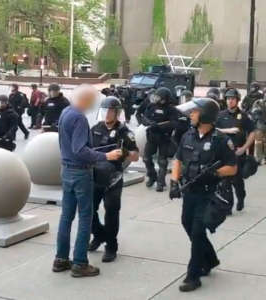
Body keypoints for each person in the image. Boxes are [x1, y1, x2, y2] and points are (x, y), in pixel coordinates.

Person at [53, 84, 123, 278]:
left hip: (66, 170)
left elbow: (67, 145)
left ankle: (60, 258)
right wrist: (106, 156)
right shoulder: (79, 118)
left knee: (66, 216)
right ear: (84, 100)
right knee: (85, 217)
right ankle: (80, 262)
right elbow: (80, 150)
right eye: (92, 101)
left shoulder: (66, 112)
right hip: (80, 172)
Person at [170, 98, 237, 292]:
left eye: (195, 112)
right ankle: (210, 259)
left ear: (205, 115)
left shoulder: (221, 140)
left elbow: (232, 168)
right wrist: (174, 182)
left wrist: (215, 172)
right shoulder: (187, 136)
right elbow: (178, 159)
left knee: (198, 232)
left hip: (209, 194)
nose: (191, 115)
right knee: (187, 224)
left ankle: (193, 275)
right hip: (190, 191)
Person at [88, 96, 139, 262]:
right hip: (95, 176)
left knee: (111, 211)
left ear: (117, 113)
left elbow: (136, 156)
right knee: (88, 210)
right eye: (105, 110)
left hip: (113, 178)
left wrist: (124, 153)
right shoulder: (95, 128)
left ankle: (111, 245)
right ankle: (99, 234)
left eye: (111, 111)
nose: (107, 114)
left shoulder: (125, 132)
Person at [136, 87, 186, 192]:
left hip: (164, 137)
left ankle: (161, 181)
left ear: (164, 98)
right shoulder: (151, 106)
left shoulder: (171, 109)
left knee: (162, 161)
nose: (156, 98)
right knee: (146, 158)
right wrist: (148, 123)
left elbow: (174, 123)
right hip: (151, 136)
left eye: (159, 97)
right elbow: (144, 117)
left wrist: (160, 127)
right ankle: (152, 176)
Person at [216, 88, 255, 213]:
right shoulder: (220, 115)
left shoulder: (243, 116)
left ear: (237, 100)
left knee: (237, 180)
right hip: (223, 153)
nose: (230, 101)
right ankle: (227, 207)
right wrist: (228, 131)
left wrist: (244, 148)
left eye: (232, 99)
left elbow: (253, 133)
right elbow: (213, 130)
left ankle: (241, 198)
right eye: (228, 99)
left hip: (238, 153)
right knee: (225, 181)